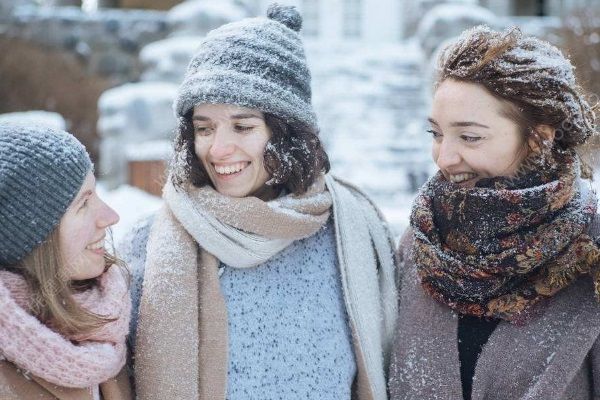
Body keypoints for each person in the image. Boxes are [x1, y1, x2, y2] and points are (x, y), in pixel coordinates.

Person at [121, 4, 397, 400]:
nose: (218, 149)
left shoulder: (352, 234)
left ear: (287, 131)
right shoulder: (146, 242)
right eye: (204, 128)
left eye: (243, 126)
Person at [388, 26, 600, 400]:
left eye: (469, 137)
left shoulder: (591, 251)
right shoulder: (421, 242)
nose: (445, 157)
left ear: (539, 138)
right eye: (436, 134)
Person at [0, 124, 132, 400]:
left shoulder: (111, 319)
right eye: (83, 204)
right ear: (33, 235)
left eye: (96, 194)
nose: (110, 216)